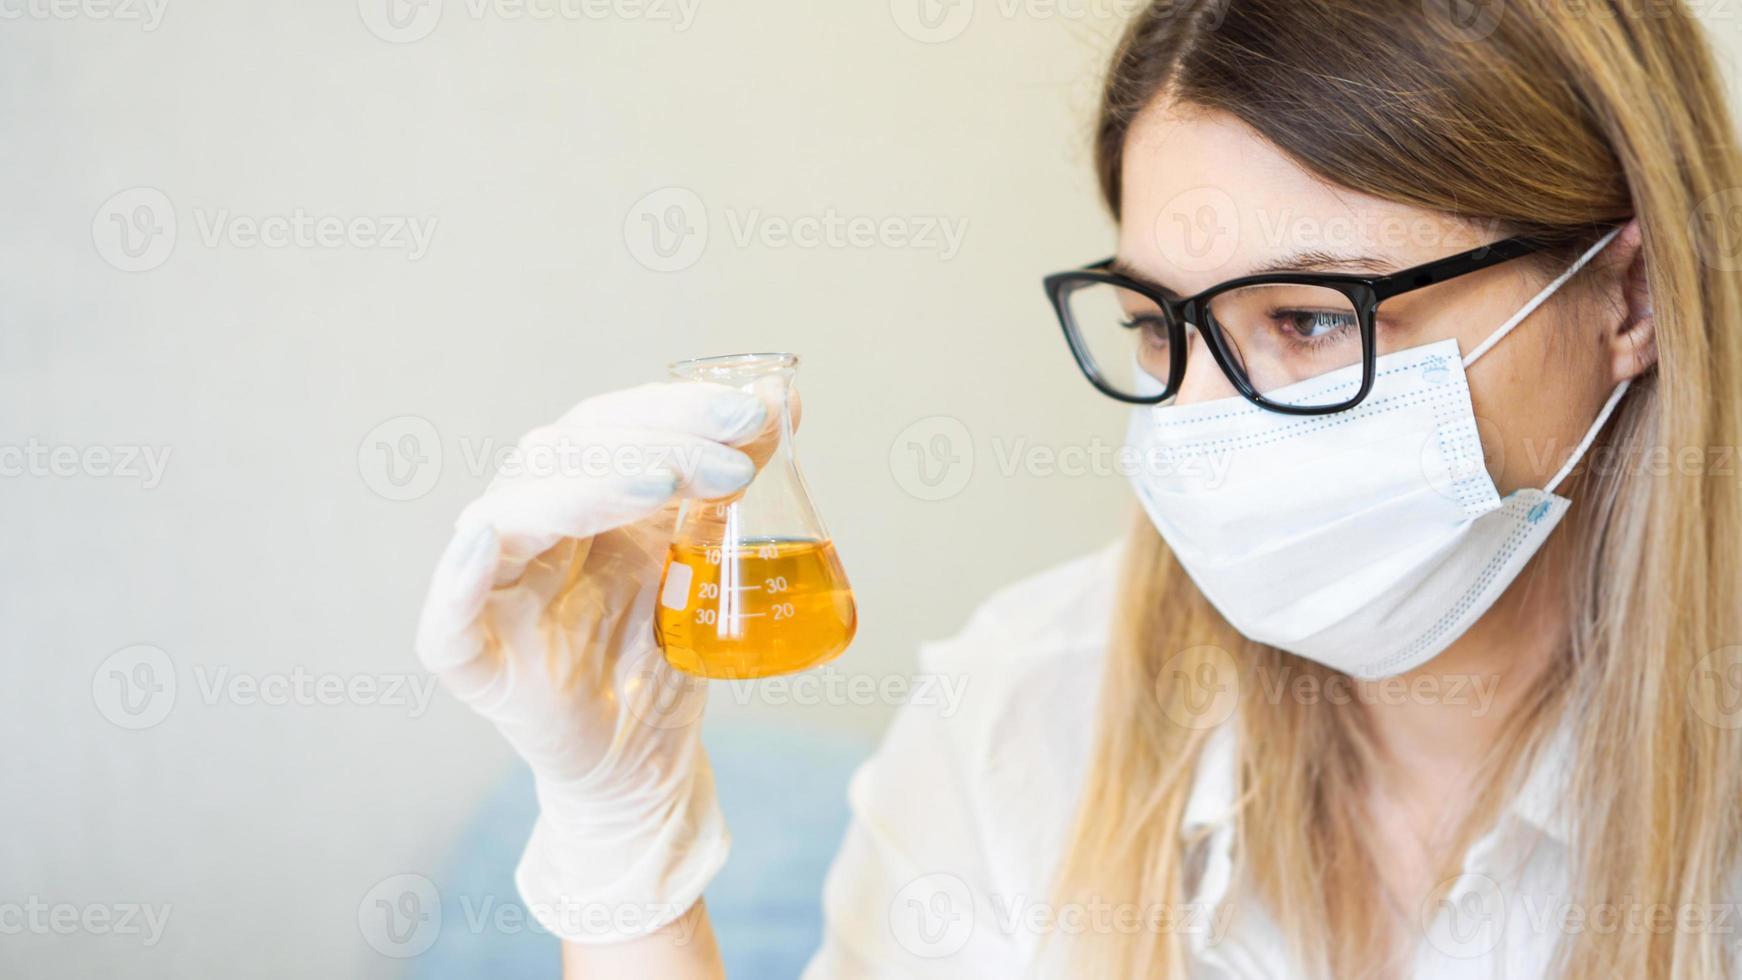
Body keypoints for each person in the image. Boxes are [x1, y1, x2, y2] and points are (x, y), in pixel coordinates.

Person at [416, 0, 1742, 975]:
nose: (1204, 424)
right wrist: (619, 830)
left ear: (1622, 293)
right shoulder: (1023, 715)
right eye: (1160, 331)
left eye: (1311, 320)